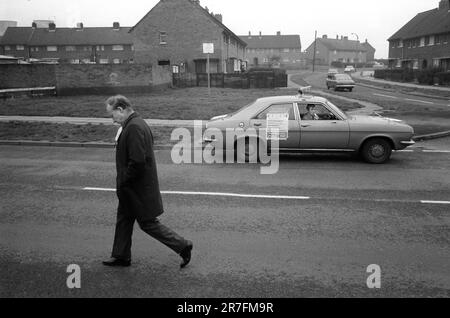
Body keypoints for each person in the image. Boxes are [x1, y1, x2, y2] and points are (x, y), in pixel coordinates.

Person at [103, 95, 193, 268]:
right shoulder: (133, 124)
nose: (111, 119)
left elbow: (137, 161)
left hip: (136, 188)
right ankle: (121, 255)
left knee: (148, 224)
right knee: (124, 218)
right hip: (132, 188)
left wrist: (124, 180)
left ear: (120, 110)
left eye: (112, 114)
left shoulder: (134, 127)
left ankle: (183, 245)